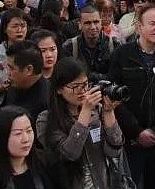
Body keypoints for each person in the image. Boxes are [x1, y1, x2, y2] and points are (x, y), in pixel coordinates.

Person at [107, 3, 155, 189]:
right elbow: (114, 97)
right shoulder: (122, 55)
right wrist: (136, 131)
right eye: (153, 23)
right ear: (139, 27)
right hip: (130, 140)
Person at [37, 57, 126, 188]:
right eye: (74, 86)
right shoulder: (46, 119)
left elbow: (115, 150)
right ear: (59, 89)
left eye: (85, 84)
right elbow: (69, 154)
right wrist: (85, 112)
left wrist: (108, 112)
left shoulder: (97, 111)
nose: (82, 91)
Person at [0, 106, 61, 189]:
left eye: (29, 131)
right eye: (18, 133)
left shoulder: (48, 162)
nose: (26, 139)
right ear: (1, 137)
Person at [61, 4, 116, 82]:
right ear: (79, 25)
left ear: (101, 23)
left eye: (96, 22)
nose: (93, 27)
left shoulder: (114, 45)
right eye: (87, 23)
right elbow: (66, 77)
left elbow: (117, 76)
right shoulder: (69, 47)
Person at [3, 40, 50, 123]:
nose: (8, 72)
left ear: (29, 70)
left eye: (11, 68)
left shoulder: (47, 101)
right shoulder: (15, 85)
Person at [0, 9, 30, 103]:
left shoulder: (32, 51)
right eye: (15, 26)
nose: (20, 30)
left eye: (23, 26)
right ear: (5, 29)